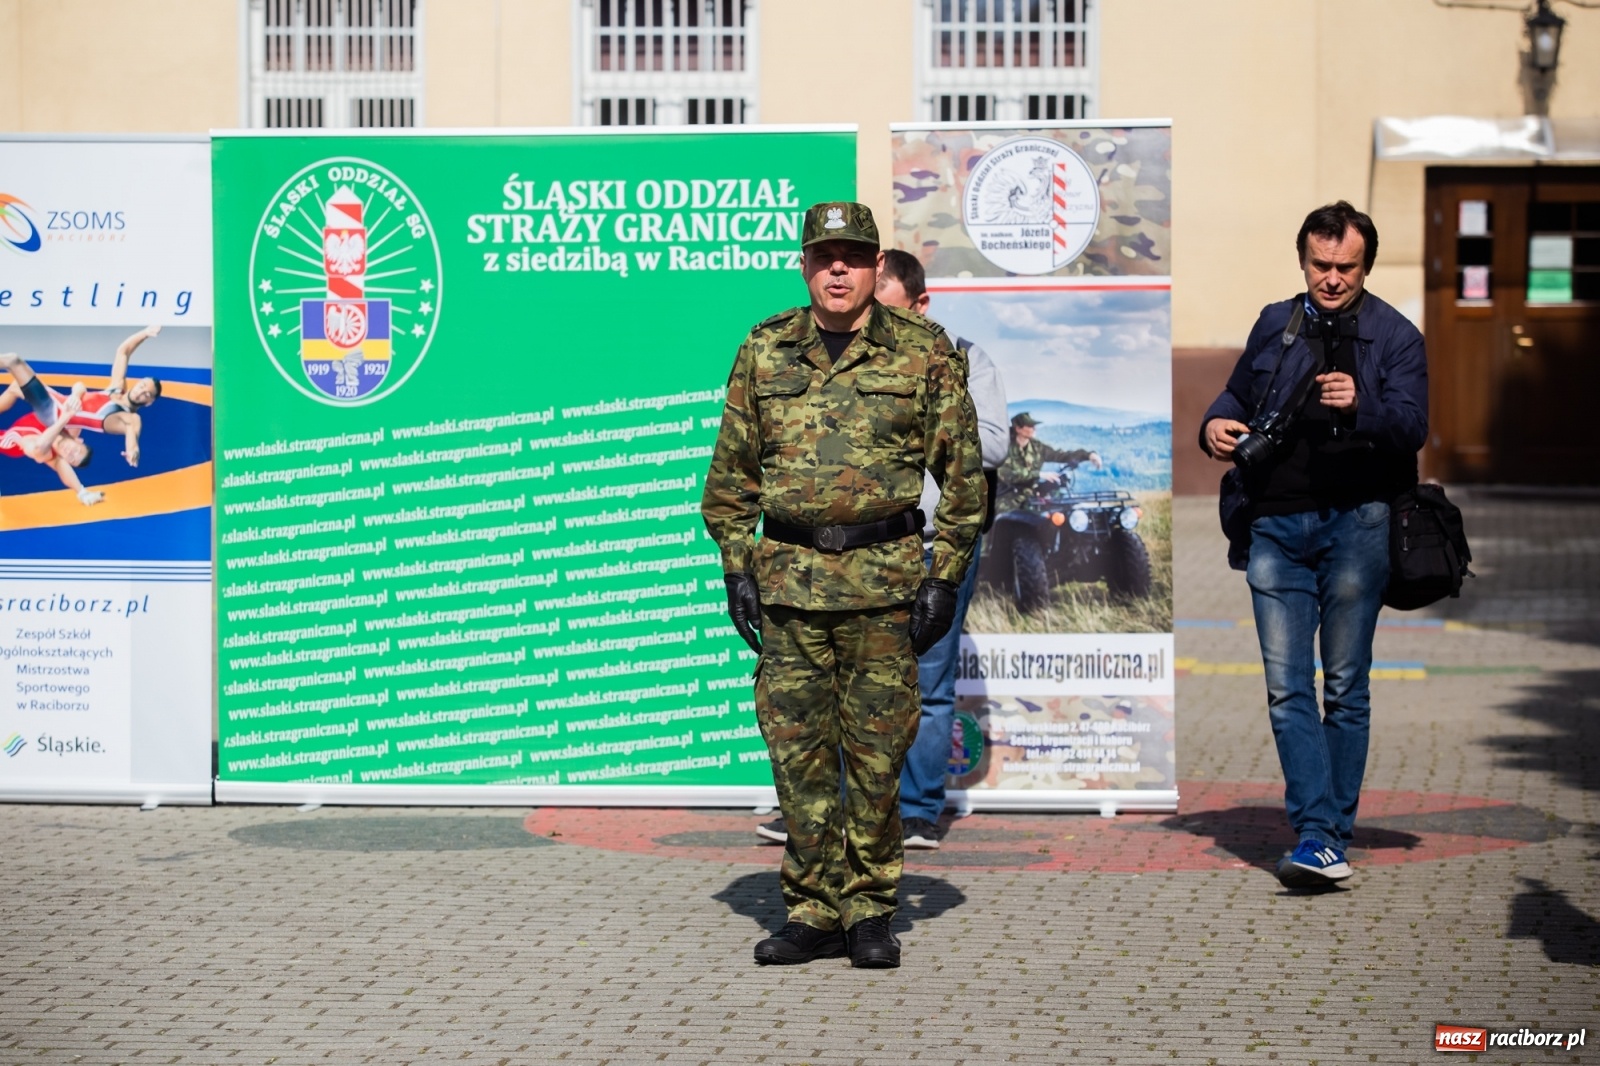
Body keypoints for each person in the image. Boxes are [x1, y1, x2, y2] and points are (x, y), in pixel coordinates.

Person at [703, 202, 984, 968]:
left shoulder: (922, 353)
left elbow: (963, 483)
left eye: (853, 258)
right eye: (824, 255)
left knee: (875, 756)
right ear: (804, 263)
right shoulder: (765, 350)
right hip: (791, 588)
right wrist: (736, 565)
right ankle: (811, 908)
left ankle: (869, 910)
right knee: (796, 755)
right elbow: (730, 479)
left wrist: (943, 580)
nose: (837, 269)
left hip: (883, 590)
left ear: (873, 267)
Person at [1199, 200, 1427, 890]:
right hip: (1275, 523)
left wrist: (1361, 404)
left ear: (1366, 266)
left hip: (1357, 523)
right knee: (1286, 686)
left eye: (1345, 268)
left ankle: (1329, 831)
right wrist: (1213, 426)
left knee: (1347, 685)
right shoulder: (1278, 320)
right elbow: (1232, 397)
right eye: (1320, 265)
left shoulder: (1396, 336)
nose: (1331, 279)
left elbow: (1413, 427)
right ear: (1303, 261)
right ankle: (1317, 834)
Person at [753, 250, 1010, 851]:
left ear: (920, 304)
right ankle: (831, 812)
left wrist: (920, 406)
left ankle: (918, 809)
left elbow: (990, 447)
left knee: (927, 677)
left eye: (890, 310)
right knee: (842, 681)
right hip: (856, 554)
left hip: (931, 545)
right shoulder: (809, 351)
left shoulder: (962, 358)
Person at [0, 326, 161, 467]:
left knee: (14, 362)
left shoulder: (126, 417)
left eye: (147, 394)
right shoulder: (116, 388)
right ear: (137, 383)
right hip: (56, 400)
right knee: (14, 373)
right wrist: (145, 333)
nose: (141, 392)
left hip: (51, 412)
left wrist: (132, 449)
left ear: (149, 402)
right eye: (142, 386)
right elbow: (123, 352)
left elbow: (131, 429)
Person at [0, 388, 103, 504]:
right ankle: (82, 492)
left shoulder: (43, 452)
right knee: (17, 387)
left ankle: (82, 493)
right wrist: (75, 396)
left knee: (53, 459)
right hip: (50, 430)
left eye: (71, 459)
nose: (70, 452)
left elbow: (38, 448)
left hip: (10, 441)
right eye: (76, 451)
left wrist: (64, 418)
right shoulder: (73, 427)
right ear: (78, 440)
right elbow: (80, 386)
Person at [995, 412, 1100, 512]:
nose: (1034, 429)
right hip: (1007, 495)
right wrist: (1039, 474)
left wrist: (1088, 455)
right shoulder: (1003, 447)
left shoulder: (1037, 447)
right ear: (1018, 429)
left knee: (1062, 509)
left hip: (1032, 494)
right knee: (1005, 517)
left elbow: (1060, 455)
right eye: (1030, 426)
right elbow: (1007, 474)